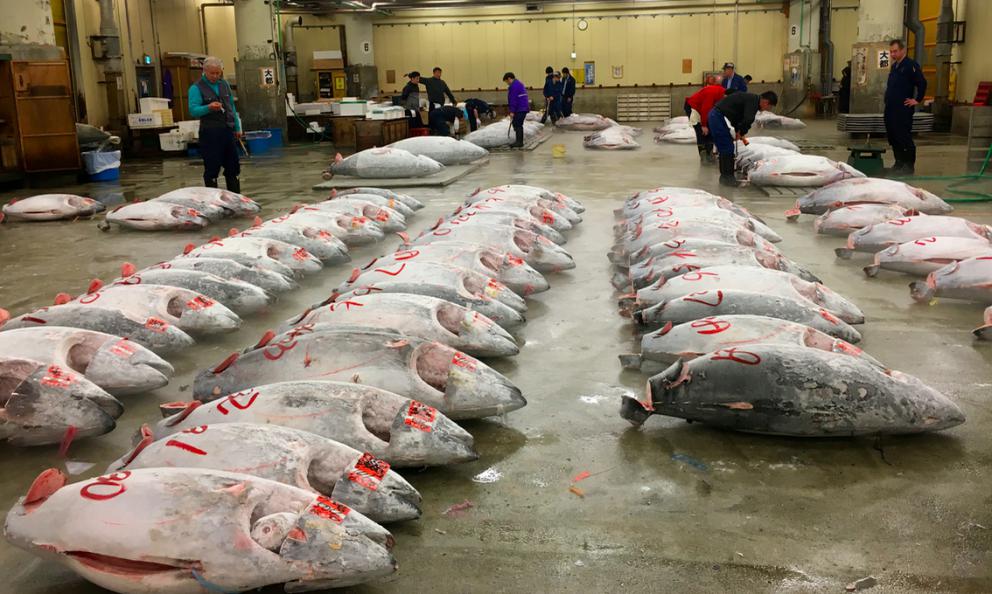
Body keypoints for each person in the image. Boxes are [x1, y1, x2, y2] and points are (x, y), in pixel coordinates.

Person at [188, 56, 242, 192]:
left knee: (233, 166)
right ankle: (213, 200)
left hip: (227, 131)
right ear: (204, 71)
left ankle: (236, 198)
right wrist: (208, 107)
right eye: (212, 73)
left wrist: (237, 126)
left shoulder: (224, 84)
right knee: (212, 167)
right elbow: (193, 110)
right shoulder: (196, 88)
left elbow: (231, 107)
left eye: (218, 73)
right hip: (210, 133)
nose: (216, 76)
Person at [708, 90, 778, 186]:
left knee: (727, 147)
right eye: (768, 107)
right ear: (765, 102)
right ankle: (728, 179)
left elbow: (737, 117)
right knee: (727, 148)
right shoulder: (753, 101)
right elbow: (748, 119)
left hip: (717, 116)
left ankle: (725, 178)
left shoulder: (751, 99)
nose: (766, 109)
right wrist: (742, 131)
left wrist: (738, 131)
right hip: (717, 117)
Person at [884, 39, 927, 175]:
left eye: (895, 51)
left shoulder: (910, 66)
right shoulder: (894, 67)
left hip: (902, 109)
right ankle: (899, 162)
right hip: (891, 108)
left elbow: (922, 83)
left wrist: (917, 100)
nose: (892, 54)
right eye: (891, 52)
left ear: (903, 50)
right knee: (893, 136)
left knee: (903, 136)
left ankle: (909, 165)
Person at [685, 75, 726, 164]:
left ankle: (709, 153)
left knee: (710, 130)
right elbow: (705, 109)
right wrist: (703, 125)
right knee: (701, 131)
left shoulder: (722, 92)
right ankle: (703, 155)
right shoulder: (712, 92)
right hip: (694, 108)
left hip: (703, 109)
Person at [504, 72, 530, 148]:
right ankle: (519, 141)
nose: (507, 83)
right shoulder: (519, 84)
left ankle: (519, 142)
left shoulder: (514, 86)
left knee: (518, 124)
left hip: (520, 108)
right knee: (517, 124)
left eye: (506, 81)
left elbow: (513, 100)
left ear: (509, 79)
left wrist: (512, 111)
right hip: (523, 108)